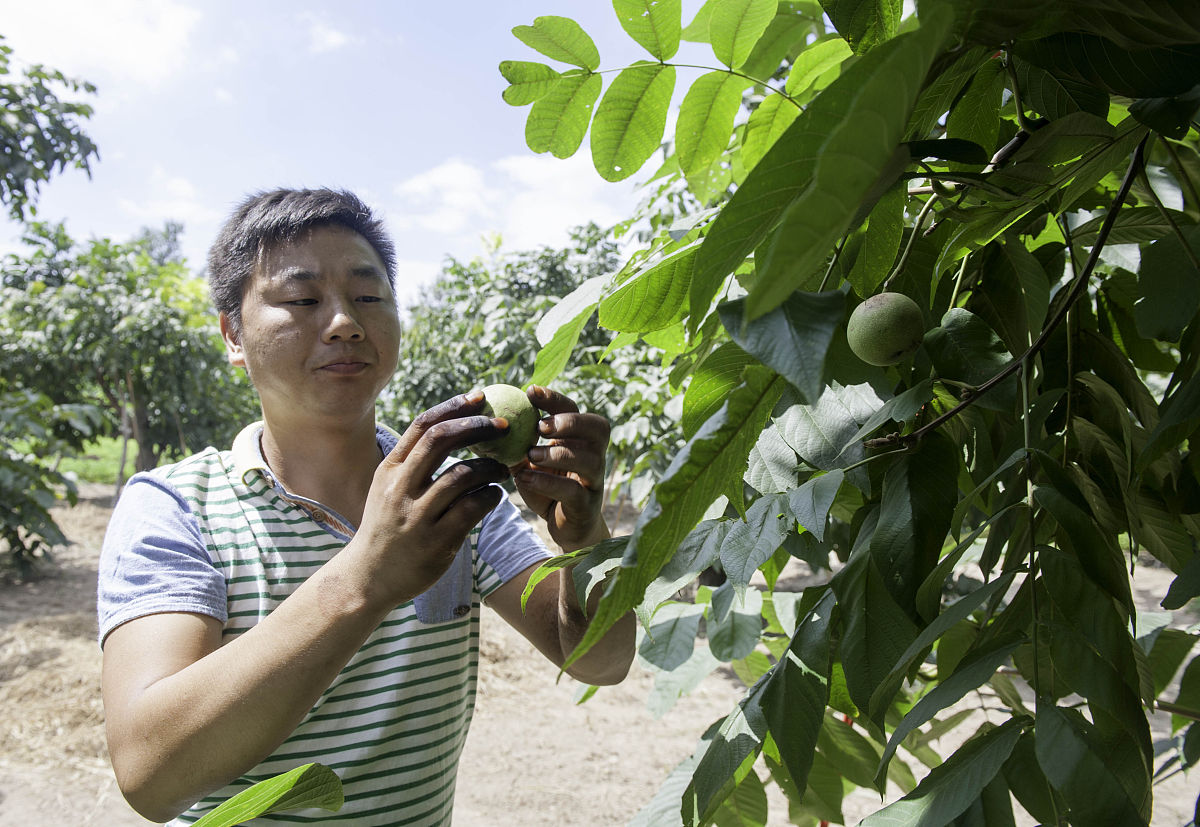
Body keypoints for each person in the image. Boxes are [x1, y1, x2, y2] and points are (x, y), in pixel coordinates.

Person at [96, 187, 635, 825]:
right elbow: (150, 776)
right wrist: (368, 576)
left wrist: (584, 539)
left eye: (369, 297)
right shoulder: (176, 506)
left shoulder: (455, 493)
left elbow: (600, 660)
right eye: (302, 300)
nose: (344, 323)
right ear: (233, 335)